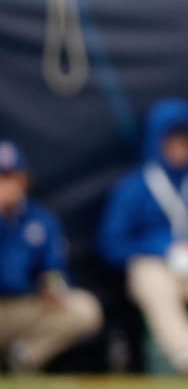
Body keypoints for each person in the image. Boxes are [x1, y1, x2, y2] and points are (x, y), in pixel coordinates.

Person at [97, 98, 188, 376]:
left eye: (186, 140)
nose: (180, 148)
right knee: (147, 275)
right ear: (157, 141)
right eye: (172, 140)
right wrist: (161, 248)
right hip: (157, 266)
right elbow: (112, 245)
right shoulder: (134, 187)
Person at [0, 139, 103, 373]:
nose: (6, 185)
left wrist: (53, 286)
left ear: (23, 179)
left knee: (85, 308)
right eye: (1, 177)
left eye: (11, 177)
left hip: (26, 305)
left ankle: (21, 359)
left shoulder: (40, 220)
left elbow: (55, 269)